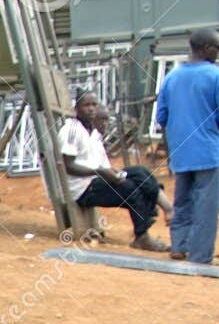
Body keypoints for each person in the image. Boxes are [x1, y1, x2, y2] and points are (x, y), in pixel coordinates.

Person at [154, 28, 219, 264]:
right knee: (207, 205)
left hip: (180, 152)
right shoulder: (217, 76)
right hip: (208, 152)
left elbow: (161, 115)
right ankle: (200, 255)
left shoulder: (172, 77)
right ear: (207, 48)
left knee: (182, 201)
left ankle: (179, 245)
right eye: (217, 47)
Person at [61, 92, 167, 252]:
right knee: (130, 188)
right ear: (77, 109)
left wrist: (114, 174)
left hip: (97, 180)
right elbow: (67, 166)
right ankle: (142, 236)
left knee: (140, 172)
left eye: (94, 105)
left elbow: (105, 166)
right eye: (86, 105)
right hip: (82, 189)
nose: (91, 109)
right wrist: (99, 172)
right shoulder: (71, 130)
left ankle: (166, 208)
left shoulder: (94, 134)